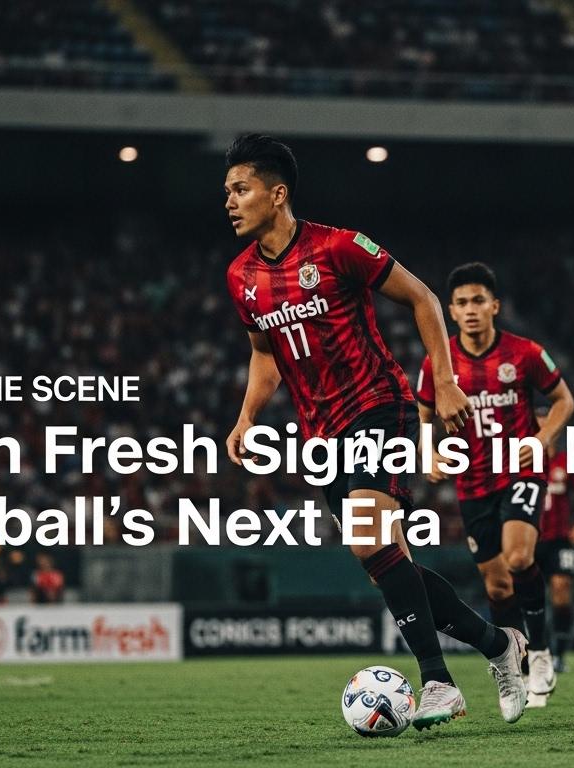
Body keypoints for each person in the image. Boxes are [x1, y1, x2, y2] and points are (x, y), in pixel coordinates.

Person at [220, 135, 527, 730]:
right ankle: (497, 645)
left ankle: (438, 682)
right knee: (388, 558)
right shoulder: (241, 277)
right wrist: (247, 415)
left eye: (240, 189)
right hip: (320, 432)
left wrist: (442, 382)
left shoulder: (339, 247)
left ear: (276, 193)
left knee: (369, 541)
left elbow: (423, 299)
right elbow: (265, 354)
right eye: (227, 192)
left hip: (377, 404)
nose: (229, 202)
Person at [416, 262, 574, 708]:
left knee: (520, 554)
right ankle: (516, 665)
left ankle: (541, 651)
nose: (470, 310)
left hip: (520, 470)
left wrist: (543, 439)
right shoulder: (438, 363)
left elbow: (564, 400)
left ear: (494, 306)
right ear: (450, 309)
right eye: (462, 303)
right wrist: (429, 452)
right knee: (498, 587)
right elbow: (424, 415)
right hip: (472, 483)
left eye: (478, 301)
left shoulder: (525, 353)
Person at [538, 447, 574, 672]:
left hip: (559, 539)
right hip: (527, 537)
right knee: (529, 596)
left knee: (562, 589)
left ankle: (559, 652)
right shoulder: (520, 456)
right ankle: (534, 652)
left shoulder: (568, 461)